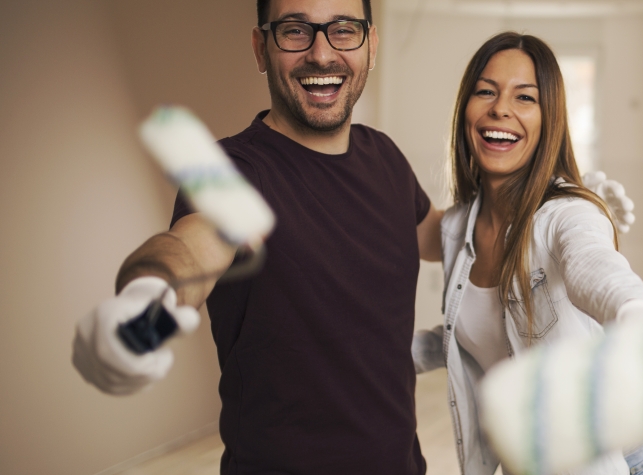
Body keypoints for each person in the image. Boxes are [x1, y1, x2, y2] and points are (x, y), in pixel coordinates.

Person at [71, 0, 440, 473]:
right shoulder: (232, 175)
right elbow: (187, 248)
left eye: (343, 30)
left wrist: (524, 209)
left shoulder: (384, 156)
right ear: (260, 47)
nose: (322, 54)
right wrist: (146, 299)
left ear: (371, 45)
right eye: (294, 30)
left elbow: (436, 235)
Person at [411, 32, 643, 475]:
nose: (500, 108)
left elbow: (593, 267)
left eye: (525, 97)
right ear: (465, 111)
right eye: (486, 92)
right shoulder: (457, 228)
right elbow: (478, 332)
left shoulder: (565, 215)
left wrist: (635, 313)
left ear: (548, 119)